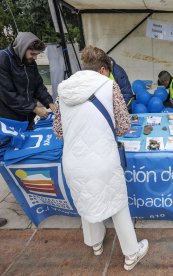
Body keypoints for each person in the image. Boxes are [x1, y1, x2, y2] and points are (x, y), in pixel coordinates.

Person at [53, 46, 148, 271]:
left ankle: (95, 244)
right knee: (118, 205)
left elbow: (58, 130)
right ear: (103, 69)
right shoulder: (108, 85)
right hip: (103, 159)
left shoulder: (63, 88)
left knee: (86, 199)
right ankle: (131, 254)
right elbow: (124, 125)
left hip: (73, 161)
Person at [0, 32, 56, 129]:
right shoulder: (3, 59)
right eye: (32, 54)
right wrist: (34, 108)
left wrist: (49, 102)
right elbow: (8, 94)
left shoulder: (30, 62)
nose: (35, 58)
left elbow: (38, 85)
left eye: (37, 54)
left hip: (28, 117)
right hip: (9, 120)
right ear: (22, 49)